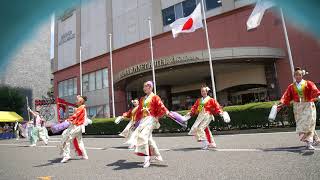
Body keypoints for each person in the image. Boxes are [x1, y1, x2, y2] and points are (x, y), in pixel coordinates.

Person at [127, 81, 170, 168]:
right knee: (148, 138)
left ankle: (147, 158)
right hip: (144, 120)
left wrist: (166, 111)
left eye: (145, 86)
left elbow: (161, 105)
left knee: (143, 136)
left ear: (150, 87)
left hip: (151, 119)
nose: (144, 88)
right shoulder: (142, 99)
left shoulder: (155, 97)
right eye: (143, 87)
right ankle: (158, 155)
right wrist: (135, 121)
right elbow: (139, 110)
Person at [278, 67, 320, 150]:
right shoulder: (291, 86)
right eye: (296, 75)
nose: (298, 76)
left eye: (300, 75)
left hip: (308, 105)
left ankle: (309, 143)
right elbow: (286, 96)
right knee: (305, 124)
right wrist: (281, 103)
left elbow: (315, 90)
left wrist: (318, 95)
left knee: (308, 122)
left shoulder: (308, 83)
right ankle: (316, 139)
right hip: (297, 107)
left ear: (302, 75)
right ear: (294, 76)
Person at [186, 86, 224, 150]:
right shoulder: (199, 100)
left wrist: (220, 112)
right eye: (201, 91)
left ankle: (205, 143)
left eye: (204, 91)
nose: (203, 92)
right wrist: (190, 112)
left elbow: (217, 106)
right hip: (201, 116)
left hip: (207, 115)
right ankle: (212, 142)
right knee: (205, 129)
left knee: (200, 128)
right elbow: (194, 107)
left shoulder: (211, 100)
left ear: (206, 92)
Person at [59, 95, 88, 163]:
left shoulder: (81, 108)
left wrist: (68, 120)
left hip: (76, 127)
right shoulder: (81, 107)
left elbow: (75, 115)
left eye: (77, 100)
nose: (75, 101)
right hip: (78, 127)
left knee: (66, 140)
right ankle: (85, 155)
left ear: (80, 102)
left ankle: (66, 155)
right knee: (79, 141)